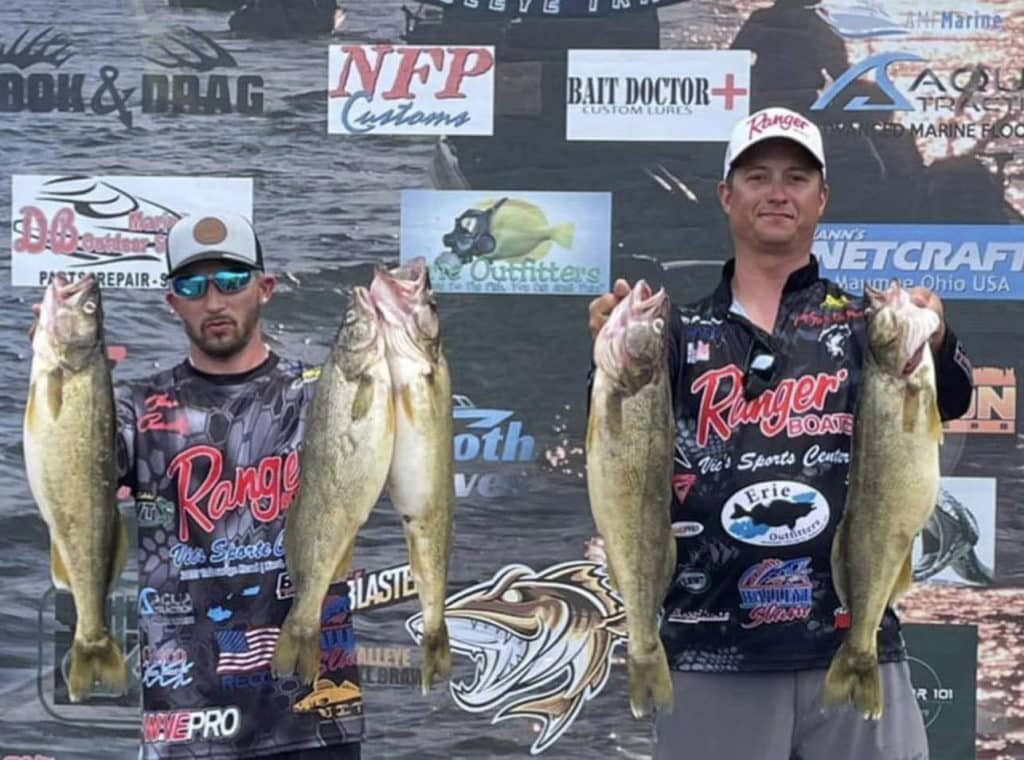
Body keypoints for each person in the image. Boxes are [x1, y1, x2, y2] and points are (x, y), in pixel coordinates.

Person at [587, 106, 973, 760]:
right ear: (726, 195)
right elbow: (620, 451)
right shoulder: (678, 331)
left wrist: (937, 337)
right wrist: (609, 345)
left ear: (822, 198)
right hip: (711, 645)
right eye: (758, 175)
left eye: (796, 178)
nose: (776, 192)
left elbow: (956, 397)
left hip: (851, 641)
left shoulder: (867, 326)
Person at [38, 213, 363, 759]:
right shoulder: (132, 408)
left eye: (232, 281)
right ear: (172, 302)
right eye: (193, 285)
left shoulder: (323, 397)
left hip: (314, 711)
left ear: (265, 289)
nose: (214, 301)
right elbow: (73, 487)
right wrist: (53, 377)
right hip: (186, 717)